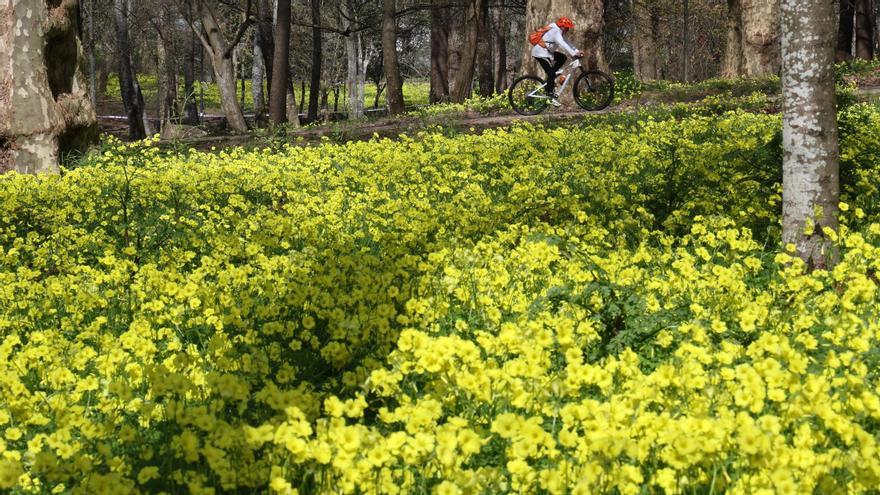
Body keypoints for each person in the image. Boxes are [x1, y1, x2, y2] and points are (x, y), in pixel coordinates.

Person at [531, 17, 584, 106]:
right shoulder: (556, 31)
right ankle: (550, 95)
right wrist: (573, 54)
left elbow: (567, 42)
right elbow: (562, 43)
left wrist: (576, 51)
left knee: (562, 58)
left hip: (547, 52)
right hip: (540, 53)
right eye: (566, 27)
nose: (568, 29)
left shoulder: (559, 30)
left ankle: (553, 74)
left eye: (568, 28)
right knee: (551, 74)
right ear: (562, 26)